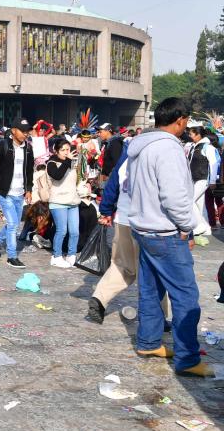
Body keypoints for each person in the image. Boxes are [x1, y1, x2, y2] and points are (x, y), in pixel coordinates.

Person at [126, 97, 210, 377]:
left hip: (143, 227)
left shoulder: (140, 146)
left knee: (151, 289)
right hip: (164, 231)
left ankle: (148, 342)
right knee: (186, 295)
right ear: (181, 121)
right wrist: (189, 225)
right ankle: (187, 358)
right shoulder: (168, 150)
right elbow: (174, 197)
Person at [87, 142, 169, 324]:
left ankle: (99, 298)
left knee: (121, 266)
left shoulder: (126, 159)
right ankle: (159, 317)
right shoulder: (158, 157)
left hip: (123, 219)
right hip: (147, 224)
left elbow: (112, 185)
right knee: (154, 271)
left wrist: (106, 210)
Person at [0, 118, 34, 268]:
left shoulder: (28, 148)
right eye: (22, 130)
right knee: (13, 224)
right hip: (4, 192)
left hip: (19, 193)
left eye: (27, 131)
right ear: (13, 130)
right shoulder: (2, 146)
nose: (25, 134)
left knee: (13, 223)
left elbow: (29, 170)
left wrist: (29, 188)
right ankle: (12, 256)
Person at [46, 139, 81, 268]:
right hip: (58, 201)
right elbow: (58, 176)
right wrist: (67, 161)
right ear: (56, 151)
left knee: (75, 231)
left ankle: (72, 255)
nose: (66, 153)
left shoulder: (71, 162)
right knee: (62, 230)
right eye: (63, 150)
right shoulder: (51, 163)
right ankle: (56, 256)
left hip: (73, 201)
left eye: (68, 149)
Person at [185, 124, 218, 237]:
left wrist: (213, 181)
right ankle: (206, 227)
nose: (190, 135)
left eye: (192, 134)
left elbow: (214, 164)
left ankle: (200, 226)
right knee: (198, 204)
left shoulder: (207, 147)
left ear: (198, 135)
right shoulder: (194, 146)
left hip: (203, 179)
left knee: (190, 201)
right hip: (194, 178)